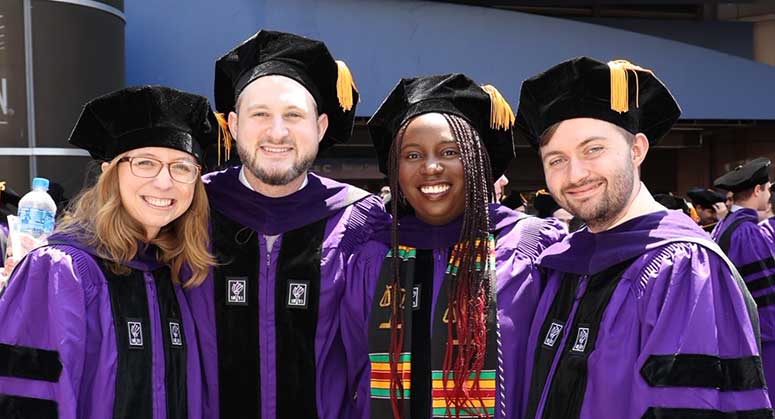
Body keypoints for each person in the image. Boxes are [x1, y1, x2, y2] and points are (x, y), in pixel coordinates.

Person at [514, 56, 770, 418]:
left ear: (636, 150)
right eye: (556, 159)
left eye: (593, 149)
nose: (575, 174)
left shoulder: (683, 270)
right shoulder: (562, 265)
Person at [184, 30, 386, 419]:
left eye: (293, 115)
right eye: (260, 114)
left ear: (321, 126)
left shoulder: (360, 222)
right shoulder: (190, 210)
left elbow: (371, 363)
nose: (277, 132)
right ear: (233, 124)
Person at [342, 74, 565, 419]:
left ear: (479, 163)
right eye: (412, 155)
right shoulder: (372, 256)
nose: (431, 167)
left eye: (450, 152)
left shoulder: (529, 251)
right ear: (395, 171)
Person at [0, 85, 217, 419]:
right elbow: (25, 400)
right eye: (145, 163)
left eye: (182, 166)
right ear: (110, 173)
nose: (164, 182)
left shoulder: (174, 272)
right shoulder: (60, 270)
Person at [711, 157, 775, 404]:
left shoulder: (723, 225)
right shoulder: (747, 233)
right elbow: (765, 292)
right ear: (758, 190)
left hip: (729, 329)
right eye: (768, 188)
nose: (769, 194)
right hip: (759, 336)